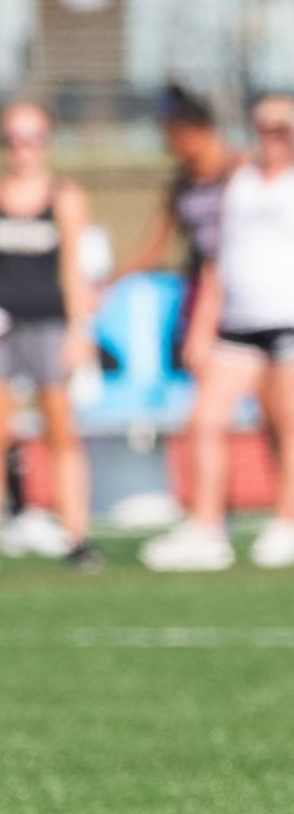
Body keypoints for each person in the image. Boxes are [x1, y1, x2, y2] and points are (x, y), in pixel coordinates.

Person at [139, 95, 294, 571]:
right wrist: (202, 327)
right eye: (264, 128)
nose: (273, 138)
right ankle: (206, 527)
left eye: (281, 131)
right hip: (238, 322)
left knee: (287, 420)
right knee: (203, 418)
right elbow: (219, 260)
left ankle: (289, 522)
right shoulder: (238, 180)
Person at [0, 101, 101, 571]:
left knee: (61, 429)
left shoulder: (63, 194)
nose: (23, 149)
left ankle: (76, 536)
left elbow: (73, 270)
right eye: (14, 139)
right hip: (3, 325)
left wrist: (80, 332)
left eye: (32, 138)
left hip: (47, 323)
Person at [106, 83, 237, 370]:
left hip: (239, 291)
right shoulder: (182, 184)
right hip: (200, 291)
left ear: (195, 130)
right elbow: (153, 245)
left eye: (171, 136)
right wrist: (109, 284)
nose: (169, 146)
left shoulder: (240, 171)